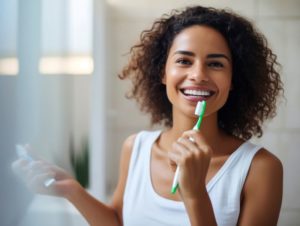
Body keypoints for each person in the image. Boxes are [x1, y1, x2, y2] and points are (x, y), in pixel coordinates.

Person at [12, 5, 284, 226]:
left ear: (233, 79)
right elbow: (118, 222)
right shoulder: (136, 147)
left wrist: (195, 193)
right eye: (184, 61)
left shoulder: (260, 169)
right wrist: (71, 190)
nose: (198, 74)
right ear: (162, 73)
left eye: (215, 64)